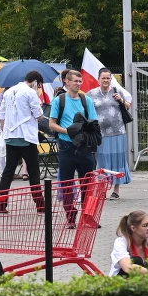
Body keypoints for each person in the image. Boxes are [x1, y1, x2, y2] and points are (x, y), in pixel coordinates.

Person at [48, 69, 101, 225]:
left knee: (88, 184)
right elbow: (52, 124)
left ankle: (88, 216)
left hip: (84, 147)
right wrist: (69, 131)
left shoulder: (86, 101)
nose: (78, 84)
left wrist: (85, 132)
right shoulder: (59, 100)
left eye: (80, 81)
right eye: (75, 81)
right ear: (67, 81)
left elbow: (94, 123)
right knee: (66, 184)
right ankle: (70, 217)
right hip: (66, 146)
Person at [0, 70, 45, 209]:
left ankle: (1, 203)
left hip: (11, 136)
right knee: (34, 171)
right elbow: (39, 115)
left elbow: (1, 115)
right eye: (39, 85)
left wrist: (6, 128)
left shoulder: (8, 91)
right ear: (35, 82)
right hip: (26, 137)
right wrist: (37, 97)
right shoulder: (30, 93)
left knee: (8, 171)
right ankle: (40, 204)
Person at [87, 68, 133, 198]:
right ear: (98, 79)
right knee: (102, 160)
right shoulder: (91, 94)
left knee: (118, 160)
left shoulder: (117, 91)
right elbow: (85, 107)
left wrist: (121, 100)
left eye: (108, 78)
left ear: (111, 79)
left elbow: (128, 106)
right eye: (103, 78)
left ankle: (116, 190)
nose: (106, 80)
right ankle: (102, 189)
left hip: (118, 132)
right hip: (101, 134)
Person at [109, 209, 148, 276]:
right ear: (133, 228)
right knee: (136, 261)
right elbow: (128, 268)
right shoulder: (121, 242)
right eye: (145, 225)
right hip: (123, 281)